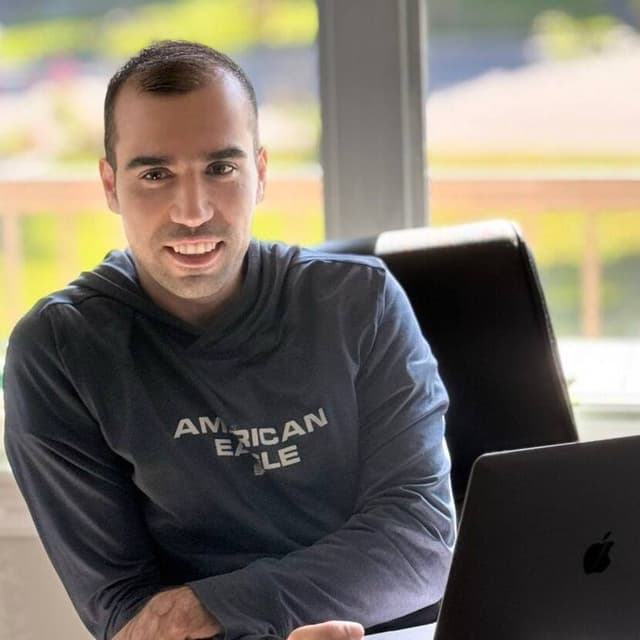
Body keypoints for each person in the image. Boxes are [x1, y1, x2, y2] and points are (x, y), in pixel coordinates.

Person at [2, 40, 455, 640]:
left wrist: (213, 607)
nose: (192, 211)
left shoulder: (358, 302)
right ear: (111, 185)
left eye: (221, 168)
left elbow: (422, 541)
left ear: (260, 173)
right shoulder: (58, 351)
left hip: (387, 632)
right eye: (155, 174)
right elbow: (124, 611)